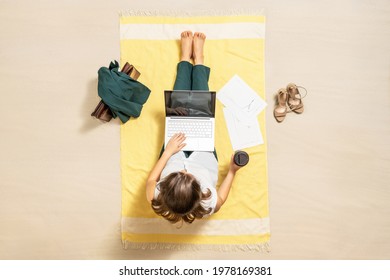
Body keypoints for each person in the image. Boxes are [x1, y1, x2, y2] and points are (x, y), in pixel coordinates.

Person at [145, 31, 244, 224]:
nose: (184, 169)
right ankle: (199, 59)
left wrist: (168, 153)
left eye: (178, 174)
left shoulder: (156, 197)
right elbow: (221, 199)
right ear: (199, 193)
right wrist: (232, 171)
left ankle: (184, 58)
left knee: (178, 105)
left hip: (173, 151)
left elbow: (150, 181)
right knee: (201, 108)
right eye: (188, 175)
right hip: (204, 153)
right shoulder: (208, 204)